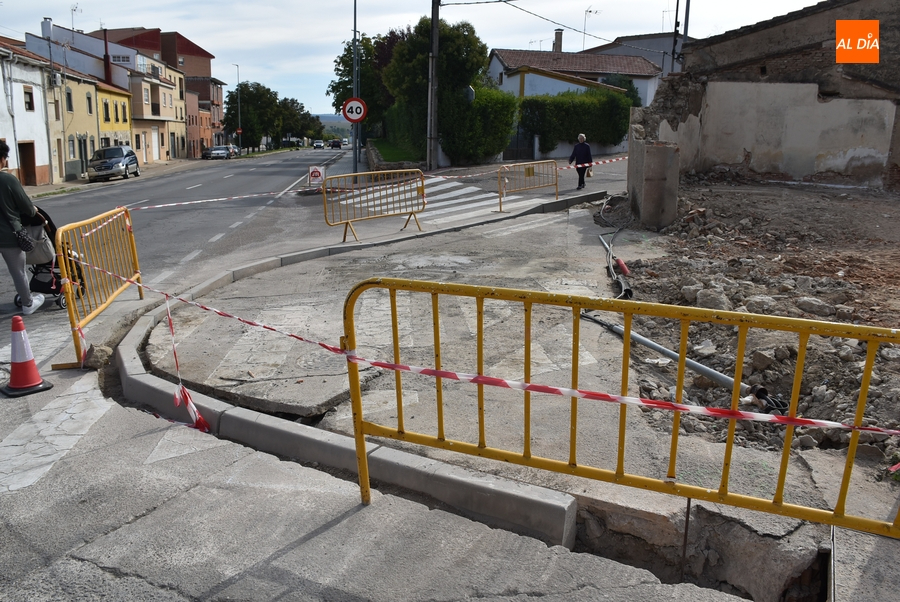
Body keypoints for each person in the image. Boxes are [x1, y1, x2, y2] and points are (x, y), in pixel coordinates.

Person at [0, 141, 43, 314]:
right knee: (18, 271)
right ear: (2, 158)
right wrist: (33, 210)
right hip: (9, 234)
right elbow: (27, 207)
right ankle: (27, 303)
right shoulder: (7, 179)